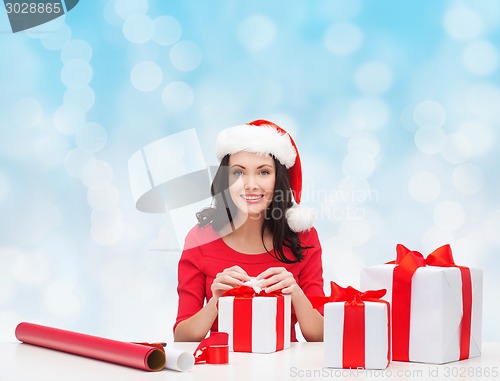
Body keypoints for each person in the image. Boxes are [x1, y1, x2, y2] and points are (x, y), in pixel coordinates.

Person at [174, 119, 324, 342]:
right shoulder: (200, 239)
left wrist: (295, 293)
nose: (250, 184)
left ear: (279, 180)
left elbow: (320, 336)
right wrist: (217, 301)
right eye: (238, 173)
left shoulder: (303, 237)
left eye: (263, 172)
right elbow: (182, 337)